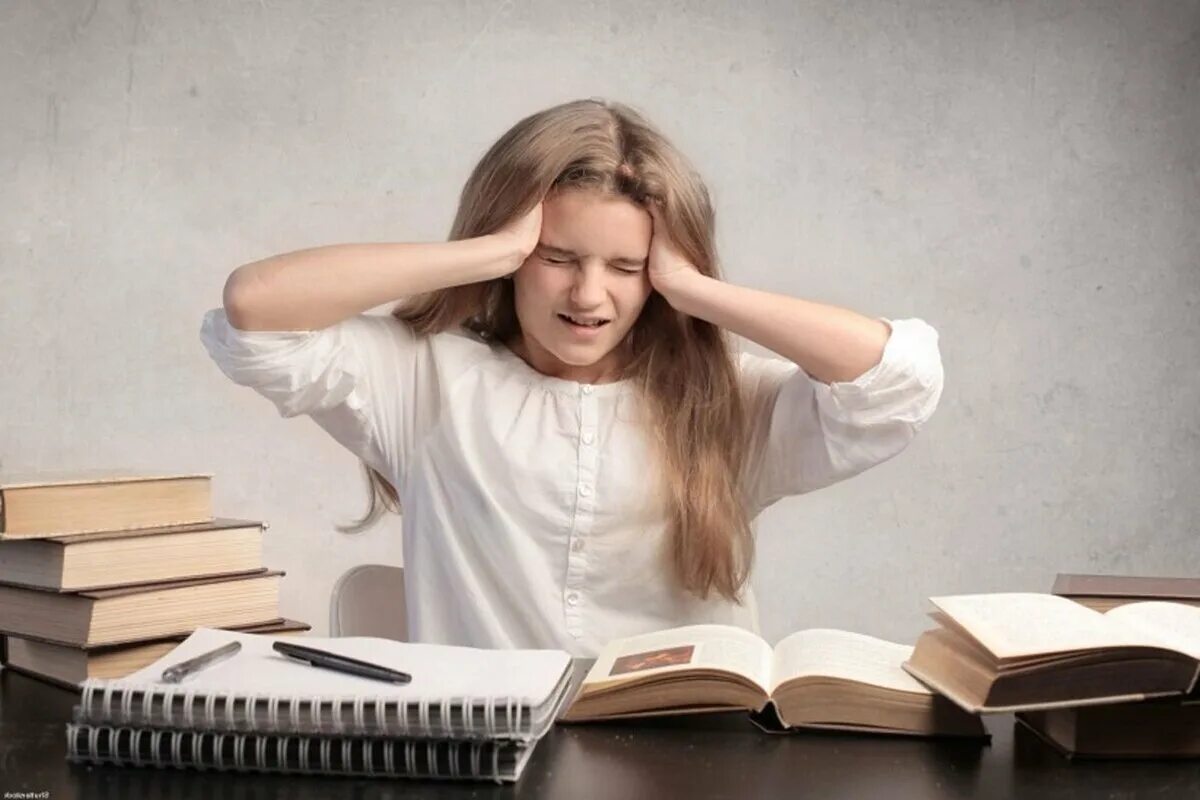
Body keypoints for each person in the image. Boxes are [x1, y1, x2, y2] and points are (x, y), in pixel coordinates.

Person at [200, 97, 943, 657]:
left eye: (626, 267)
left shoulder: (725, 403)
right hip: (493, 763)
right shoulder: (424, 380)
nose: (589, 297)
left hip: (690, 771)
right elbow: (255, 312)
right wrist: (482, 253)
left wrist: (698, 290)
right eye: (556, 258)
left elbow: (895, 381)